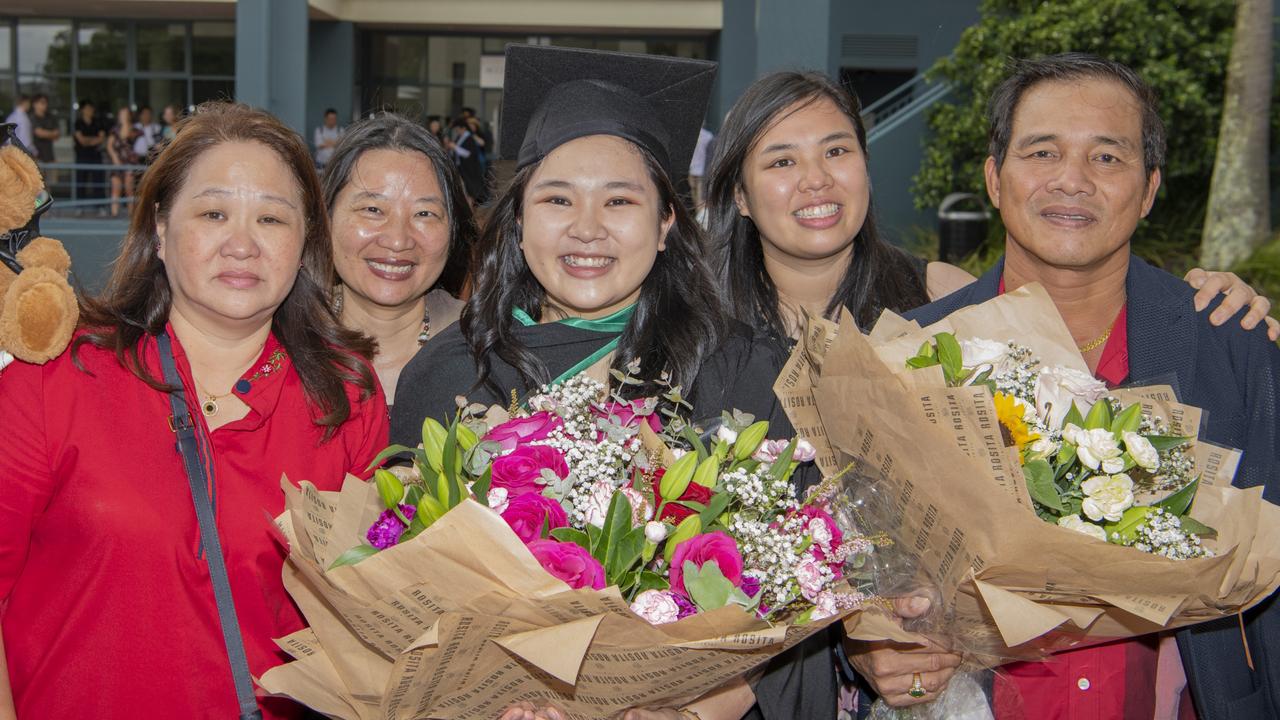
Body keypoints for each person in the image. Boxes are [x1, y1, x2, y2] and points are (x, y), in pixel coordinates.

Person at [391, 44, 792, 720]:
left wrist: (684, 710)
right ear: (518, 219)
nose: (586, 229)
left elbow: (786, 612)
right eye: (556, 199)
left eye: (619, 201)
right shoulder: (446, 378)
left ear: (667, 222)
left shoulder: (742, 373)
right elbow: (409, 602)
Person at [874, 53, 1280, 720]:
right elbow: (862, 568)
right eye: (1041, 151)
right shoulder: (911, 354)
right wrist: (870, 653)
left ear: (1149, 190)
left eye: (1107, 158)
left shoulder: (1230, 347)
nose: (1072, 180)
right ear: (994, 178)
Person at [0, 102, 388, 719]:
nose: (242, 243)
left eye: (271, 218)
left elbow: (363, 620)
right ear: (159, 228)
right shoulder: (57, 375)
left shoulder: (345, 397)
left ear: (305, 241)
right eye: (213, 213)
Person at [705, 71, 1279, 350]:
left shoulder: (943, 300)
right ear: (739, 193)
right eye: (781, 162)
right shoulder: (692, 315)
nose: (816, 180)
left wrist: (1219, 303)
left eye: (837, 151)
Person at [324, 113, 474, 407]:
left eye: (424, 214)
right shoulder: (284, 340)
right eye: (372, 209)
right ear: (326, 217)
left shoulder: (488, 347)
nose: (397, 240)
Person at [105, 106, 140, 217]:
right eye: (121, 114)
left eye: (125, 114)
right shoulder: (115, 130)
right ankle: (114, 213)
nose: (123, 116)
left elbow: (139, 147)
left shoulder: (135, 130)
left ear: (129, 116)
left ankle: (131, 214)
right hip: (117, 163)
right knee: (116, 188)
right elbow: (109, 145)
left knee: (129, 189)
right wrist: (114, 157)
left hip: (130, 163)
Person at [72, 99, 107, 207]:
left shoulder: (98, 121)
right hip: (82, 155)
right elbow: (81, 141)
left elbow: (102, 138)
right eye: (87, 109)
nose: (90, 111)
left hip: (96, 155)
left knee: (98, 181)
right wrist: (93, 140)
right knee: (81, 181)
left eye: (91, 109)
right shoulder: (78, 123)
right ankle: (80, 207)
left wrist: (88, 141)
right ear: (82, 110)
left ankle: (100, 207)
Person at [448, 116, 487, 205]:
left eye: (458, 129)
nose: (457, 131)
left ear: (463, 128)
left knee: (470, 191)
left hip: (469, 169)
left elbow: (468, 154)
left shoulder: (469, 138)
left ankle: (470, 213)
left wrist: (455, 147)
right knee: (464, 191)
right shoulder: (459, 138)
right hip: (461, 168)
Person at [29, 94, 59, 164]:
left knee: (53, 173)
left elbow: (57, 135)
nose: (45, 105)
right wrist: (51, 134)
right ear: (34, 104)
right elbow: (39, 133)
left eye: (46, 103)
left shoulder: (50, 117)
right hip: (35, 157)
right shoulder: (31, 118)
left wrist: (44, 133)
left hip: (50, 157)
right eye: (42, 103)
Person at [689, 125, 713, 208]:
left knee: (695, 196)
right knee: (699, 197)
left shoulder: (690, 136)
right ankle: (698, 215)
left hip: (694, 170)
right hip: (700, 170)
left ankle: (698, 215)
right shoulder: (708, 136)